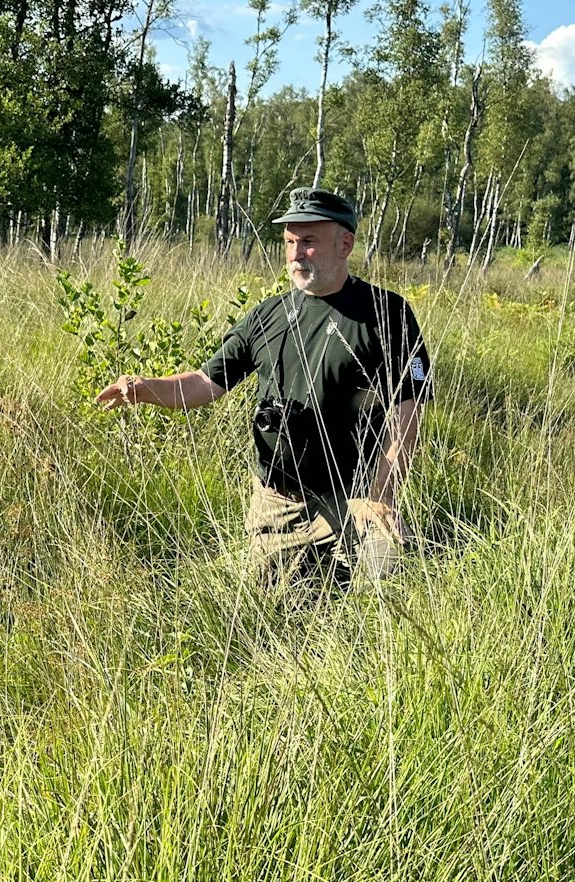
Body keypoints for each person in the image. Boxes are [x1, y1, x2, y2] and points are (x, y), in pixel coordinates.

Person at [93, 187, 432, 589]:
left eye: (308, 242)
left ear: (345, 244)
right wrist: (145, 387)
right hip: (278, 502)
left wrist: (381, 493)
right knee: (269, 612)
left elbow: (408, 408)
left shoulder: (385, 313)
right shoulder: (268, 316)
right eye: (289, 242)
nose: (295, 254)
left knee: (382, 586)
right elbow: (205, 383)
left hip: (356, 498)